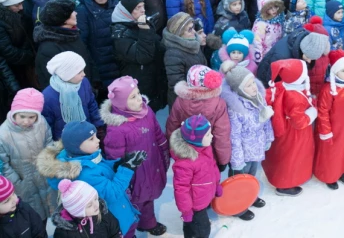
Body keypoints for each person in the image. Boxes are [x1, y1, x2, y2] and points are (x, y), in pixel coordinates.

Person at [36, 121, 141, 236]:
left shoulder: (84, 156)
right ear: (76, 146)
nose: (98, 140)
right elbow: (112, 193)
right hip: (112, 219)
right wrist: (127, 169)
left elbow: (102, 169)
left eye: (95, 136)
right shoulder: (84, 173)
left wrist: (118, 165)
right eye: (91, 139)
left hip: (118, 212)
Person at [100, 76, 169, 236]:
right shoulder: (117, 129)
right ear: (121, 103)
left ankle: (148, 223)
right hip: (134, 175)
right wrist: (125, 180)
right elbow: (115, 159)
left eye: (138, 93)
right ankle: (131, 230)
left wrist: (164, 149)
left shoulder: (147, 111)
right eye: (133, 97)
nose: (139, 99)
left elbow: (157, 133)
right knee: (135, 203)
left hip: (151, 166)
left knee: (148, 197)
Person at [219, 60, 273, 220]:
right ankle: (238, 207)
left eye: (253, 82)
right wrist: (236, 160)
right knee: (238, 181)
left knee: (251, 176)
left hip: (256, 148)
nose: (254, 87)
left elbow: (266, 121)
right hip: (242, 153)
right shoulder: (236, 108)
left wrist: (268, 138)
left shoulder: (258, 99)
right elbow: (234, 136)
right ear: (239, 89)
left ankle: (250, 196)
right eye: (248, 85)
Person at [262, 59, 316, 196]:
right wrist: (312, 113)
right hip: (295, 133)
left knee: (283, 154)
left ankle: (280, 177)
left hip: (286, 130)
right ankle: (284, 185)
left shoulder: (283, 86)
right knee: (292, 157)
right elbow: (299, 122)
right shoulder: (294, 97)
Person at [0, 88, 53, 221]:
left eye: (31, 117)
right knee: (34, 214)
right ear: (14, 112)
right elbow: (3, 162)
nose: (26, 121)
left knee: (50, 205)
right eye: (22, 116)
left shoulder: (41, 123)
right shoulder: (3, 133)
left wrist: (49, 161)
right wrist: (16, 182)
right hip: (24, 180)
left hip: (44, 173)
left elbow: (49, 142)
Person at [313, 50, 344, 189]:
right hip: (335, 128)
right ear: (335, 72)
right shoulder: (328, 90)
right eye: (343, 70)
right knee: (333, 151)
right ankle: (330, 175)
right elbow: (323, 111)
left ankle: (342, 170)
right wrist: (325, 130)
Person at [166, 64, 231, 170]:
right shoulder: (218, 104)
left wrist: (172, 149)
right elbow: (221, 134)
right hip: (209, 153)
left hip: (186, 152)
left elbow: (172, 126)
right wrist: (223, 159)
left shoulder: (180, 101)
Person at [110, 0, 167, 111]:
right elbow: (142, 56)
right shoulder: (120, 33)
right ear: (126, 11)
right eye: (137, 8)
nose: (143, 10)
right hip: (138, 82)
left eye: (143, 6)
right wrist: (145, 30)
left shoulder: (138, 23)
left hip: (152, 77)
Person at [170, 115, 222, 237]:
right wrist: (186, 211)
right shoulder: (185, 163)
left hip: (203, 197)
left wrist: (217, 185)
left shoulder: (205, 148)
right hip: (195, 205)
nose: (212, 136)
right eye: (208, 135)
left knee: (192, 225)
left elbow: (212, 167)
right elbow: (181, 189)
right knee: (203, 230)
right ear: (196, 139)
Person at [34, 0, 94, 89]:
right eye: (72, 12)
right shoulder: (48, 48)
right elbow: (53, 83)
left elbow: (86, 57)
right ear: (63, 19)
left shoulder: (72, 34)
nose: (76, 13)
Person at [76, 0, 120, 87]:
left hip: (117, 62)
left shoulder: (117, 6)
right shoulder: (82, 11)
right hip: (97, 64)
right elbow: (82, 43)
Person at [52, 179, 122, 238]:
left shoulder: (103, 213)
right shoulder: (64, 232)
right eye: (89, 205)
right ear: (77, 211)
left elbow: (115, 232)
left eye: (95, 199)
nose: (96, 205)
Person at [163, 12, 208, 105]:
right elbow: (178, 85)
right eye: (190, 29)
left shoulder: (193, 44)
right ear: (179, 34)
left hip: (199, 96)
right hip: (185, 104)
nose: (194, 32)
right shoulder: (172, 55)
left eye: (193, 27)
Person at [251, 0, 285, 64]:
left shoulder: (278, 19)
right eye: (270, 8)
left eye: (275, 7)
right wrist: (259, 60)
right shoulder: (260, 24)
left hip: (276, 54)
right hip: (265, 57)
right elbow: (257, 42)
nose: (274, 10)